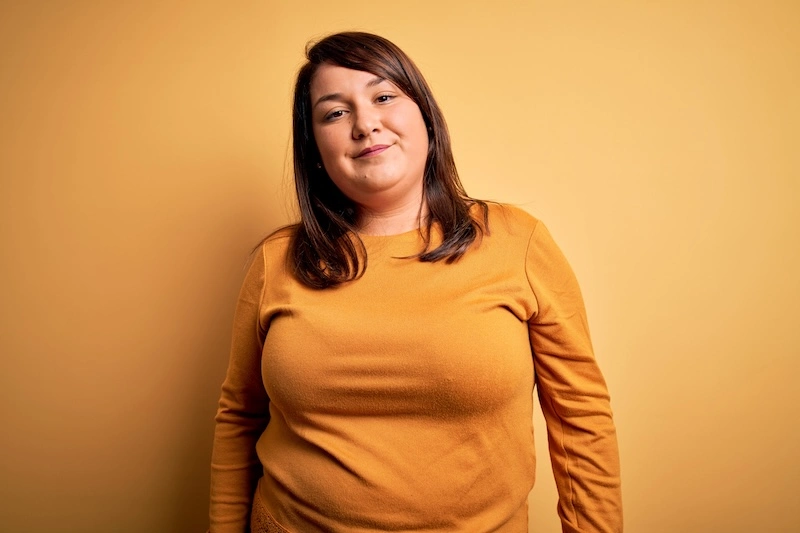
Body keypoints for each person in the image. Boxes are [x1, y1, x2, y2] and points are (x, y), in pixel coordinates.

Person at [208, 31, 622, 533]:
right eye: (335, 113)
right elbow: (239, 419)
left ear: (425, 116)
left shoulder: (518, 241)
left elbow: (580, 416)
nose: (365, 124)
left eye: (384, 96)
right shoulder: (278, 260)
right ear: (316, 149)